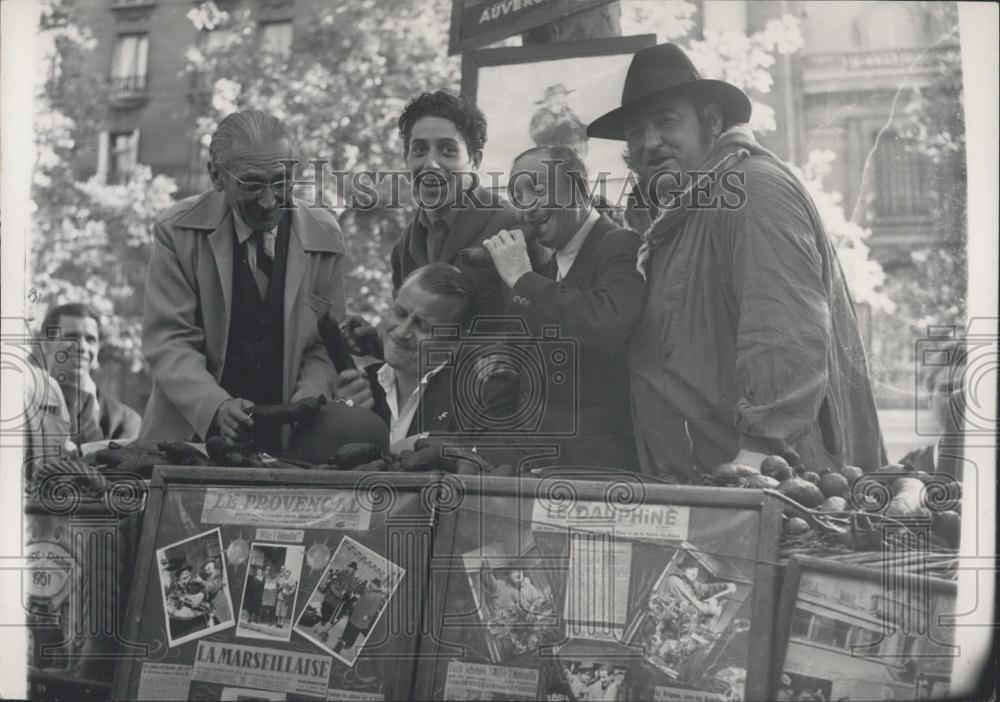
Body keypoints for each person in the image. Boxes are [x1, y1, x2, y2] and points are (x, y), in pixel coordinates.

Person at [586, 43, 885, 480]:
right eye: (635, 131)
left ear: (711, 121)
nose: (649, 142)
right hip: (706, 492)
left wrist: (758, 454)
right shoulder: (676, 214)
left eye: (666, 121)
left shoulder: (752, 188)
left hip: (771, 488)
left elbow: (783, 330)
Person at [140, 109, 346, 450]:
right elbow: (169, 342)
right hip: (189, 439)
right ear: (216, 176)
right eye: (251, 184)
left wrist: (310, 398)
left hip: (290, 443)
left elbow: (328, 341)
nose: (269, 202)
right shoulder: (176, 231)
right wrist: (215, 407)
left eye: (281, 182)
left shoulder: (325, 235)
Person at [483, 145, 645, 470]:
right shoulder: (543, 272)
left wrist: (522, 278)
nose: (527, 206)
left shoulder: (621, 244)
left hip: (597, 470)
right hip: (537, 465)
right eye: (518, 196)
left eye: (537, 189)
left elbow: (606, 323)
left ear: (578, 188)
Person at [334, 264, 519, 453]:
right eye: (400, 313)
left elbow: (489, 470)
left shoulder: (481, 395)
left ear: (456, 340)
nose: (401, 331)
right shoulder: (359, 386)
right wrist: (342, 420)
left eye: (422, 326)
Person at [390, 90, 523, 319]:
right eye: (420, 149)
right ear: (406, 157)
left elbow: (534, 333)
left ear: (475, 160)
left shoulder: (513, 226)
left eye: (447, 150)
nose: (431, 164)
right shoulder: (406, 244)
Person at [36, 303, 141, 446]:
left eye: (90, 339)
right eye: (71, 337)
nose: (82, 347)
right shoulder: (23, 405)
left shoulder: (125, 420)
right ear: (45, 343)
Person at [900, 340, 966, 480]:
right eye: (947, 389)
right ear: (930, 399)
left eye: (965, 391)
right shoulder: (910, 466)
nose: (956, 399)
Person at [662, 557, 735, 620]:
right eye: (691, 569)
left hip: (681, 621)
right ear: (683, 568)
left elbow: (704, 589)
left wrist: (725, 586)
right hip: (668, 621)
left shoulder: (689, 582)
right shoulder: (675, 580)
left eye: (696, 571)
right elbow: (690, 604)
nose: (694, 573)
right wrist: (712, 609)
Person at [334, 578, 385, 654]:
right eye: (371, 583)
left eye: (373, 584)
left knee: (349, 632)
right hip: (356, 614)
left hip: (361, 617)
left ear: (376, 585)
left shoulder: (378, 595)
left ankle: (337, 649)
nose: (371, 584)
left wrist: (367, 616)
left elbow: (373, 608)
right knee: (348, 630)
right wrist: (357, 602)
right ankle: (345, 644)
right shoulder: (371, 591)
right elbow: (364, 599)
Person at [317, 561, 359, 641]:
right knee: (324, 607)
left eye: (352, 569)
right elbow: (334, 580)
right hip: (331, 596)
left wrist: (344, 592)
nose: (351, 569)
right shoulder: (341, 572)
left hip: (337, 601)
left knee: (331, 614)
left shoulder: (352, 580)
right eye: (350, 567)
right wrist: (336, 587)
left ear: (354, 570)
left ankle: (324, 630)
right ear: (348, 567)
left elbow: (350, 590)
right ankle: (323, 625)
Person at [199, 559, 230, 625]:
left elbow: (213, 589)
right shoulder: (209, 577)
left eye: (209, 566)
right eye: (205, 567)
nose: (207, 568)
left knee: (225, 623)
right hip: (214, 608)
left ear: (213, 565)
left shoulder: (218, 575)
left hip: (220, 605)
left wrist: (201, 581)